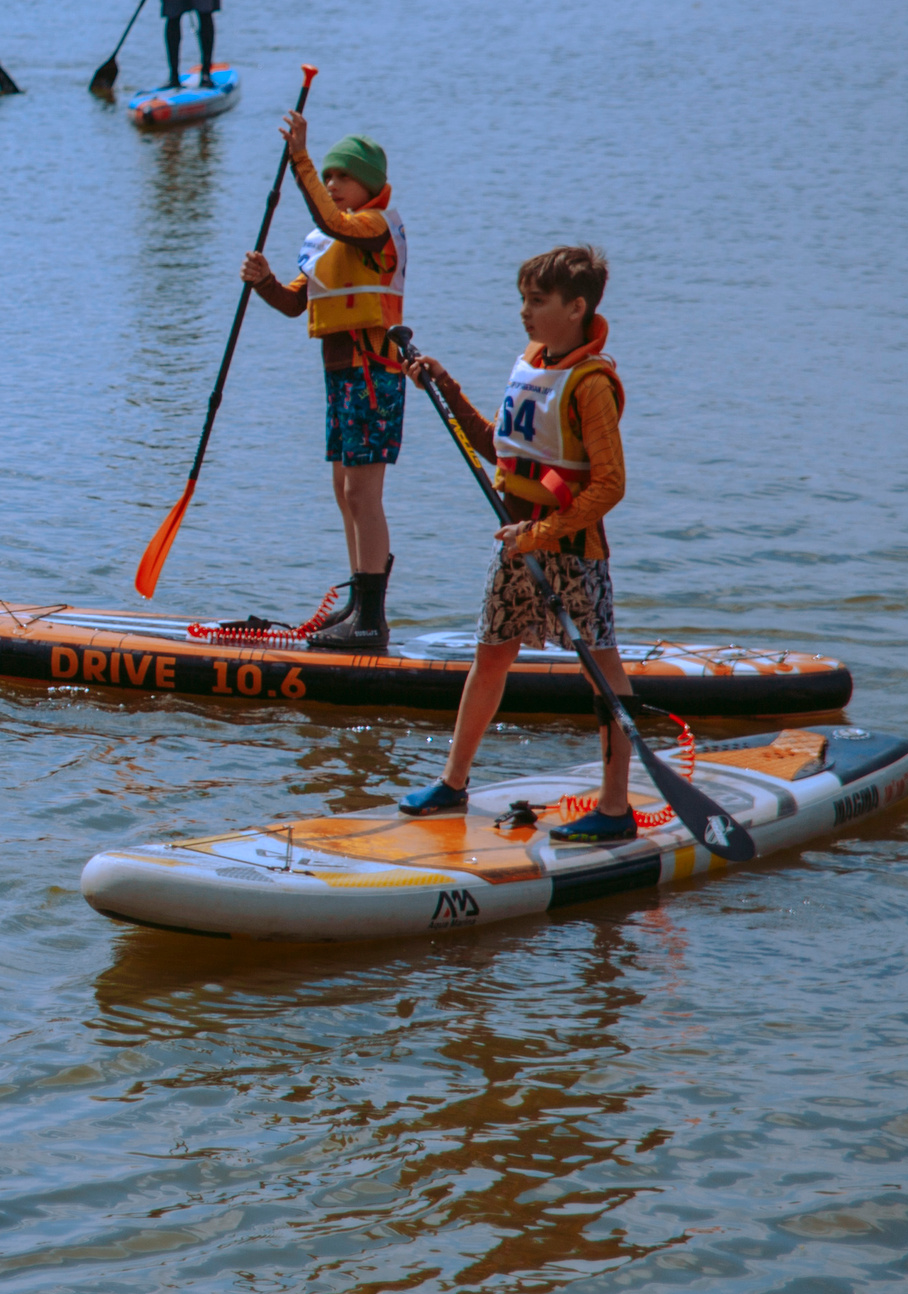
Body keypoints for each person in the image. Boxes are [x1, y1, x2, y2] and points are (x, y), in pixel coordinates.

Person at [397, 245, 638, 844]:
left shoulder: (591, 385)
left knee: (601, 671)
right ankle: (453, 782)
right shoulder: (533, 364)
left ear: (576, 307)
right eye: (523, 300)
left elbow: (610, 484)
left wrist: (542, 533)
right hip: (516, 543)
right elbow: (495, 445)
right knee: (492, 654)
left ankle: (615, 809)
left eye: (538, 302)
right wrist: (443, 383)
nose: (525, 313)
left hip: (573, 547)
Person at [239, 108, 405, 651]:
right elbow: (294, 304)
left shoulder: (375, 227)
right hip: (340, 378)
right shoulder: (325, 240)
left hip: (373, 372)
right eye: (327, 177)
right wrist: (264, 282)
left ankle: (372, 622)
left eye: (343, 177)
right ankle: (360, 604)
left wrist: (301, 160)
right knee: (344, 491)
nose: (333, 185)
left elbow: (336, 221)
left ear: (371, 185)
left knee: (363, 492)